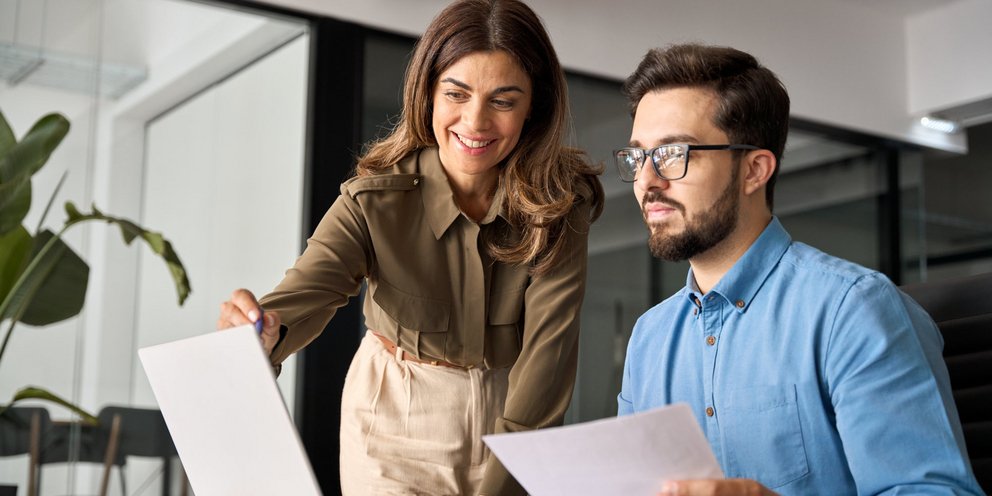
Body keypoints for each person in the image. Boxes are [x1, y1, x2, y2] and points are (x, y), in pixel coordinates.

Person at [216, 1, 603, 494]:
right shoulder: (373, 200)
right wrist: (261, 331)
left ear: (535, 107)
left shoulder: (559, 206)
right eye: (456, 93)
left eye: (503, 101)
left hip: (513, 414)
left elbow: (547, 360)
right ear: (428, 95)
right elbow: (305, 294)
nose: (475, 121)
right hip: (394, 418)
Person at [614, 43, 984, 495]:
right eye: (637, 157)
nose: (648, 181)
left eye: (674, 153)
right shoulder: (649, 339)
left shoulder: (854, 310)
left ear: (754, 170)